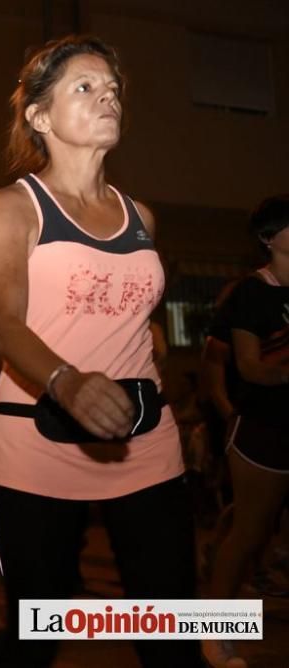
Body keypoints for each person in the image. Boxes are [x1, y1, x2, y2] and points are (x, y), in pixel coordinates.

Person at [0, 35, 200, 667]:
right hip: (37, 440)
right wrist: (66, 381)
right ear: (39, 116)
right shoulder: (14, 208)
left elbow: (132, 324)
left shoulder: (141, 218)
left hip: (144, 439)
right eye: (85, 87)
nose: (108, 98)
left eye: (113, 90)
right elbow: (1, 321)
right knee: (36, 634)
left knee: (171, 636)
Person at [203, 195, 289, 668]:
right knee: (249, 533)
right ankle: (215, 633)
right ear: (268, 239)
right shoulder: (251, 293)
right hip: (261, 427)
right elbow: (250, 367)